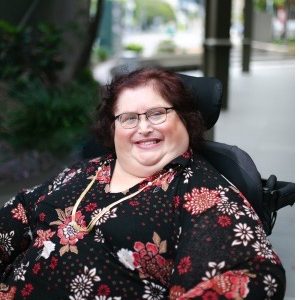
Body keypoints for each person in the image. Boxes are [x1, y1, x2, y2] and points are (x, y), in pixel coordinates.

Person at [0, 68, 285, 299]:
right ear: (113, 128)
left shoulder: (203, 194)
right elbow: (20, 211)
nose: (143, 127)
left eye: (157, 113)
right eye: (128, 118)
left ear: (185, 118)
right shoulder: (84, 171)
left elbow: (248, 274)